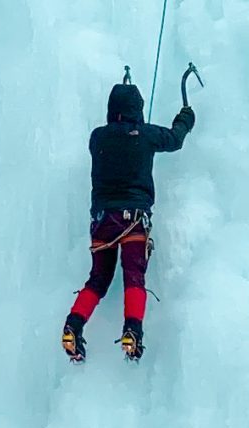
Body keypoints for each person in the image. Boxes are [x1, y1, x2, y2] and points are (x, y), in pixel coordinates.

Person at [63, 71, 196, 363]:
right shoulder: (146, 134)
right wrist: (185, 117)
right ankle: (132, 331)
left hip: (101, 221)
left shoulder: (97, 136)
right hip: (133, 218)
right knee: (133, 276)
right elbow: (174, 140)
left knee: (98, 279)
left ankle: (74, 323)